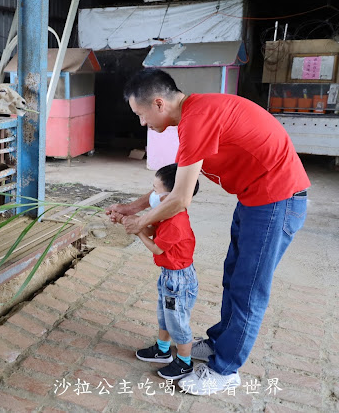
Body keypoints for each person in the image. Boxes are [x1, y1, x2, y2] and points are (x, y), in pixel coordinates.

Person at [106, 69, 309, 395]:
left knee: (248, 288)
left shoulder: (196, 119)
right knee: (234, 275)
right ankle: (219, 343)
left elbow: (181, 199)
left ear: (158, 103)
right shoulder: (193, 116)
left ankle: (226, 369)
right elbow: (172, 184)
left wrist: (140, 223)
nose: (142, 124)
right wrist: (134, 207)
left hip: (277, 199)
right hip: (256, 197)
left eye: (141, 115)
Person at [121, 163, 200, 381]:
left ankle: (184, 363)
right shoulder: (166, 214)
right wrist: (129, 221)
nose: (153, 195)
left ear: (172, 196)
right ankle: (163, 349)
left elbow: (157, 246)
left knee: (178, 322)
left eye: (156, 191)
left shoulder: (176, 222)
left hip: (179, 280)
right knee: (165, 316)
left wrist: (137, 231)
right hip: (168, 276)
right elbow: (152, 230)